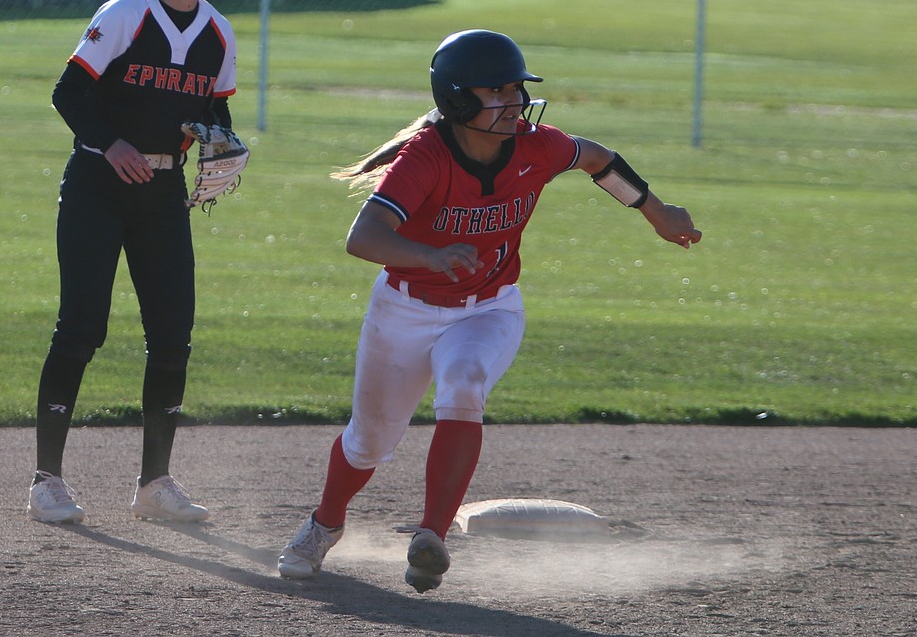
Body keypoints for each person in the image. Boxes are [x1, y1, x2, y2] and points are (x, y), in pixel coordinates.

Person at [276, 29, 702, 592]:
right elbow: (365, 238)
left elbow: (597, 159)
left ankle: (431, 537)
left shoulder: (536, 145)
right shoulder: (425, 158)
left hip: (489, 310)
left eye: (515, 90)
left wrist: (656, 211)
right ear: (456, 99)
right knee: (370, 441)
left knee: (466, 380)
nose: (514, 103)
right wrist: (430, 255)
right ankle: (324, 525)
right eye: (496, 92)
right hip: (405, 309)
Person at [26, 0, 243, 525]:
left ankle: (155, 484)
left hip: (163, 195)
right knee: (81, 329)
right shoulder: (127, 13)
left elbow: (216, 111)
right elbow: (69, 92)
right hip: (99, 184)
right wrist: (109, 142)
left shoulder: (217, 31)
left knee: (173, 338)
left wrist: (222, 143)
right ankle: (47, 481)